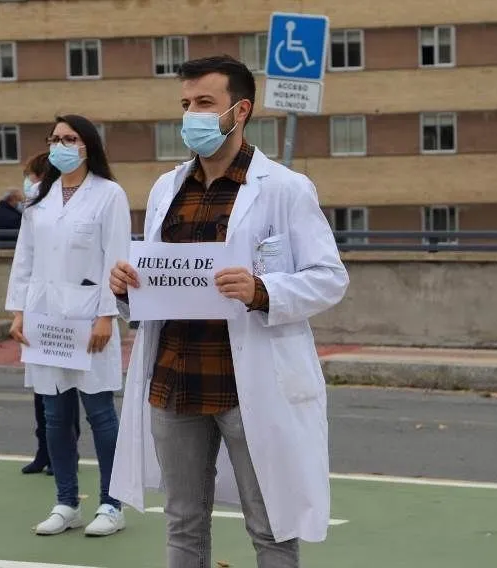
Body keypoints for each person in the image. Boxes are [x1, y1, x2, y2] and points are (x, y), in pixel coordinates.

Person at [108, 55, 349, 567]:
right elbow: (159, 278)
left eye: (204, 103)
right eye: (185, 104)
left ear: (239, 111)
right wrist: (127, 287)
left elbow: (330, 278)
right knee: (182, 525)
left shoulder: (283, 188)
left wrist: (263, 290)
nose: (191, 115)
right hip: (173, 381)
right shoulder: (165, 189)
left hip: (249, 386)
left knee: (271, 526)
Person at [5, 114, 132, 537]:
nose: (60, 144)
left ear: (87, 145)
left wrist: (105, 316)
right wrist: (18, 311)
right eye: (55, 138)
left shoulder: (108, 195)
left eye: (69, 138)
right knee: (56, 416)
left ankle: (112, 505)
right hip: (45, 319)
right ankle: (66, 501)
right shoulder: (40, 197)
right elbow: (25, 259)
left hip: (89, 318)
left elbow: (116, 258)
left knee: (100, 413)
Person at [18, 150, 82, 477]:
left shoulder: (83, 199)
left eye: (31, 175)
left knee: (72, 390)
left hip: (72, 308)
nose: (28, 182)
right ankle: (46, 450)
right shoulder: (37, 202)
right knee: (45, 391)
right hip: (41, 309)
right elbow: (26, 257)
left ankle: (63, 452)